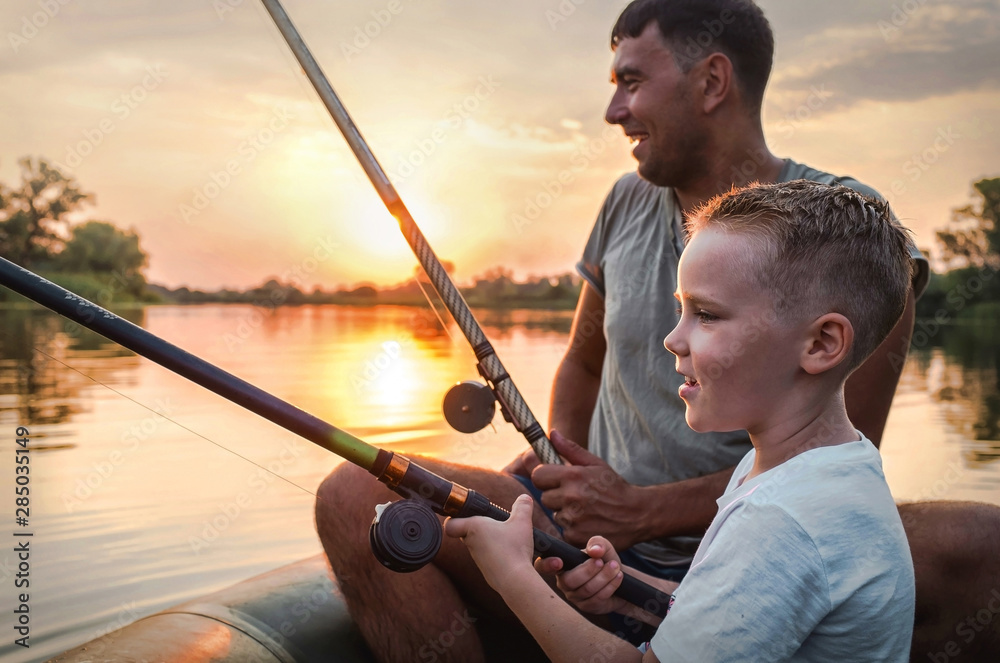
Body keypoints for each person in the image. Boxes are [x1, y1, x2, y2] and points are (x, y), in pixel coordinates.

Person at [315, 1, 1000, 660]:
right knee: (355, 491)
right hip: (605, 535)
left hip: (710, 534)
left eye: (632, 83)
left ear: (711, 82)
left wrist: (639, 512)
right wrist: (565, 482)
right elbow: (583, 365)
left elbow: (844, 443)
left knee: (983, 540)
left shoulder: (848, 235)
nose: (614, 111)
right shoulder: (623, 200)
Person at [447, 179, 918, 662]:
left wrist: (512, 576)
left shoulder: (782, 520)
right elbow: (732, 607)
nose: (674, 339)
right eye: (681, 309)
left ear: (821, 344)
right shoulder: (821, 467)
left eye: (707, 315)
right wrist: (626, 586)